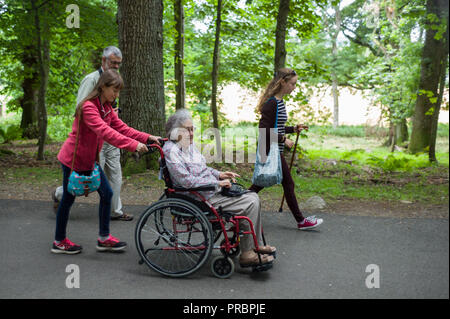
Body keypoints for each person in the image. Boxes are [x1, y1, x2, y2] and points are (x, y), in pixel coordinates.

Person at [51, 69, 161, 254]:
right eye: (114, 90)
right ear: (102, 87)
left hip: (89, 161)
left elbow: (122, 128)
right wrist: (134, 146)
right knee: (68, 200)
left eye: (118, 91)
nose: (116, 95)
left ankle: (103, 238)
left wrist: (147, 137)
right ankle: (59, 241)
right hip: (73, 160)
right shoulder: (88, 107)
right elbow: (105, 132)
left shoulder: (107, 109)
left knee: (107, 194)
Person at [163, 109, 276, 267]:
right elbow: (186, 181)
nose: (191, 133)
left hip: (208, 191)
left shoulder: (187, 145)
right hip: (198, 198)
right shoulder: (171, 151)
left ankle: (253, 246)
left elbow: (202, 169)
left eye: (192, 129)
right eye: (187, 129)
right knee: (249, 203)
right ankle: (248, 253)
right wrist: (217, 183)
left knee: (252, 196)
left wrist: (219, 174)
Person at [52, 46, 133, 221]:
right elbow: (80, 108)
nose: (116, 66)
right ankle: (60, 193)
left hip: (111, 136)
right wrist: (99, 122)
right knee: (89, 181)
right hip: (95, 137)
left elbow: (111, 111)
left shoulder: (114, 80)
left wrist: (112, 115)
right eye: (113, 62)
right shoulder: (91, 80)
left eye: (119, 63)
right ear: (104, 61)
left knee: (115, 175)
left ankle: (115, 211)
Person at [249, 67, 323, 230]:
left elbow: (277, 127)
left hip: (273, 148)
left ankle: (238, 205)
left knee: (260, 184)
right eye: (292, 84)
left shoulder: (280, 102)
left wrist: (293, 128)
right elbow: (264, 131)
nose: (294, 87)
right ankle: (301, 221)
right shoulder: (271, 103)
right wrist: (284, 139)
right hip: (268, 149)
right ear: (283, 82)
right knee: (286, 183)